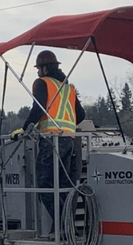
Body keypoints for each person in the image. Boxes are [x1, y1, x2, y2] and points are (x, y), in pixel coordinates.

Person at [16, 50, 85, 229]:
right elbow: (81, 115)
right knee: (62, 188)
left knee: (45, 187)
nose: (38, 72)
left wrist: (24, 129)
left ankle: (64, 226)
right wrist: (67, 125)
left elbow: (38, 109)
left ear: (45, 68)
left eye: (39, 68)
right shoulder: (68, 88)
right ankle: (60, 228)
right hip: (70, 140)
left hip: (51, 141)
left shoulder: (42, 83)